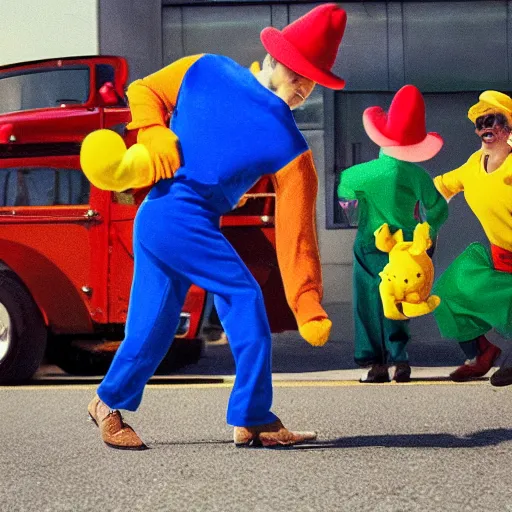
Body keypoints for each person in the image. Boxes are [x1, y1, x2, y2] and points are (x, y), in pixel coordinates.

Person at [80, 3, 347, 449]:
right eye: (299, 72)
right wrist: (151, 130)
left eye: (314, 78)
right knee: (242, 297)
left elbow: (296, 229)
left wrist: (306, 300)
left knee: (153, 325)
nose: (305, 85)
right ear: (275, 59)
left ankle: (106, 405)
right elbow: (144, 90)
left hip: (162, 221)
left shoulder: (291, 145)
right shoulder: (206, 68)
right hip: (175, 216)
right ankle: (253, 417)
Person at [337, 85, 448, 383]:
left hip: (370, 243)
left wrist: (356, 211)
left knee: (369, 299)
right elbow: (437, 209)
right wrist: (428, 232)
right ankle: (400, 360)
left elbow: (344, 190)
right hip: (408, 247)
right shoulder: (417, 175)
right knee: (399, 298)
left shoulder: (362, 173)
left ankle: (374, 364)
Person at [432, 90, 512, 383]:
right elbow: (442, 186)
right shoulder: (473, 165)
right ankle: (482, 353)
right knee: (449, 294)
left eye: (493, 120)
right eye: (480, 123)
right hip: (498, 257)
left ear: (509, 127)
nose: (485, 128)